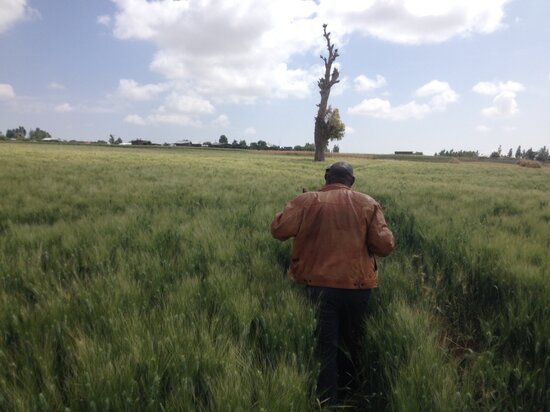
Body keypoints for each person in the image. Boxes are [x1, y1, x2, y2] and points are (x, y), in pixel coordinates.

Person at [271, 161, 395, 406]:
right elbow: (384, 246)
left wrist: (296, 204)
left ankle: (327, 401)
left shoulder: (307, 201)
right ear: (352, 181)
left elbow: (278, 230)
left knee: (325, 346)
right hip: (358, 288)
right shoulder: (368, 203)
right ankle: (353, 394)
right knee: (353, 341)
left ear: (326, 178)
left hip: (318, 286)